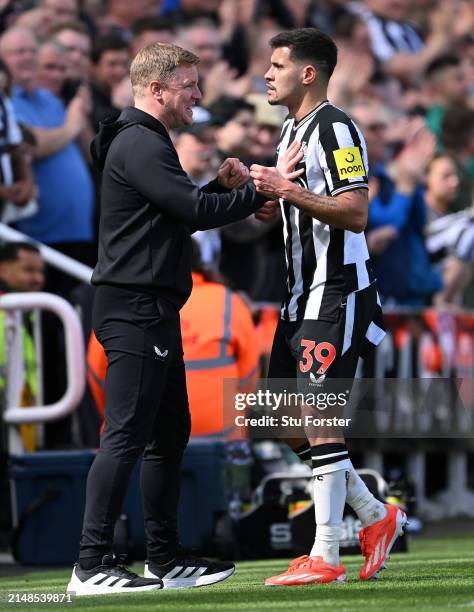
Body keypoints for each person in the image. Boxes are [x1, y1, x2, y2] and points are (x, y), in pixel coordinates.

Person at [66, 41, 265, 597]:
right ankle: (90, 564)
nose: (199, 96)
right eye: (189, 86)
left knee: (167, 434)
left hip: (148, 307)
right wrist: (256, 191)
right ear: (156, 89)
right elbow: (195, 214)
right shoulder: (140, 142)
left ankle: (164, 557)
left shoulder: (140, 141)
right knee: (126, 434)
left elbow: (177, 212)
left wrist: (223, 190)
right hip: (134, 307)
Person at [249, 27, 405, 586]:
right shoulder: (290, 129)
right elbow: (292, 210)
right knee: (281, 418)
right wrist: (263, 197)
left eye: (277, 65)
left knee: (320, 418)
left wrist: (288, 192)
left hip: (336, 290)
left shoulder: (336, 127)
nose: (266, 74)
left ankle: (327, 555)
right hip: (299, 295)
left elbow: (355, 212)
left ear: (307, 73)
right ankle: (374, 513)